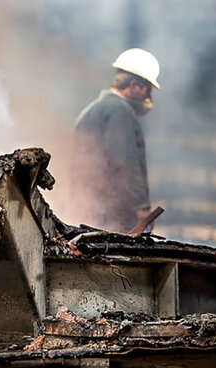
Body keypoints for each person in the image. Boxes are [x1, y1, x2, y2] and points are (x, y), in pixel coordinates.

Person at [71, 48, 160, 232]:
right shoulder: (120, 111)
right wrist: (142, 206)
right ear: (134, 85)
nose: (148, 97)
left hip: (89, 207)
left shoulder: (90, 111)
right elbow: (123, 161)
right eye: (148, 90)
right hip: (113, 210)